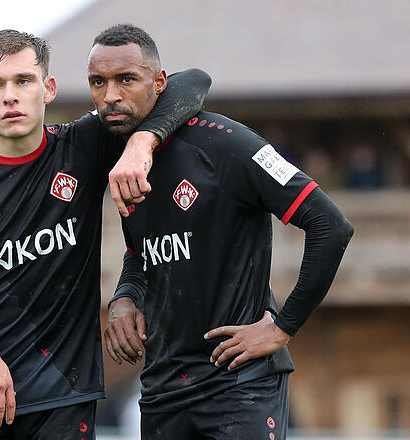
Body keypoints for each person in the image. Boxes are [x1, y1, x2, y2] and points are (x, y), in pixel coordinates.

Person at [0, 30, 210, 439]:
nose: (10, 96)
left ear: (48, 88)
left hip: (66, 401)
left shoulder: (83, 146)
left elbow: (193, 81)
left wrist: (141, 141)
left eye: (23, 81)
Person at [98, 25, 354, 439]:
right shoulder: (120, 156)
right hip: (162, 391)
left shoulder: (229, 145)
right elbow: (140, 253)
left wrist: (282, 326)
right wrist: (126, 295)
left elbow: (331, 225)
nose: (111, 95)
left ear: (159, 82)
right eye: (98, 82)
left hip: (237, 385)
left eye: (126, 79)